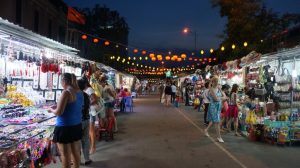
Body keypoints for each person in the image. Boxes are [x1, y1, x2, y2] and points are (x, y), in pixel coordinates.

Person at [48, 73, 83, 168]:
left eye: (61, 81)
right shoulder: (80, 92)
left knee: (65, 155)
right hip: (76, 125)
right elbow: (72, 107)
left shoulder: (66, 92)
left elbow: (59, 112)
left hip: (64, 127)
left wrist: (51, 109)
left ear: (64, 81)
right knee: (75, 152)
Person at [204, 76, 227, 143]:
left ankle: (206, 130)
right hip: (213, 106)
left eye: (218, 81)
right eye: (215, 81)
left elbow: (224, 96)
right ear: (212, 82)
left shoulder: (219, 88)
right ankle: (219, 137)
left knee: (214, 121)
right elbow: (216, 99)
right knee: (216, 122)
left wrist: (221, 97)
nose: (217, 83)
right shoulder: (211, 89)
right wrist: (221, 98)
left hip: (218, 106)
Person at [77, 79, 92, 165]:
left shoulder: (75, 95)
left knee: (77, 141)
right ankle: (87, 159)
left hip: (78, 121)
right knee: (86, 140)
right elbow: (89, 105)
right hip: (86, 119)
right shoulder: (86, 95)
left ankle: (77, 160)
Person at [83, 79, 100, 154]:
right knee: (90, 130)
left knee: (91, 130)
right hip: (89, 111)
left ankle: (93, 147)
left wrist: (87, 104)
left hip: (91, 111)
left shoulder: (89, 89)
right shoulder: (86, 90)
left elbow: (95, 99)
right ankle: (91, 146)